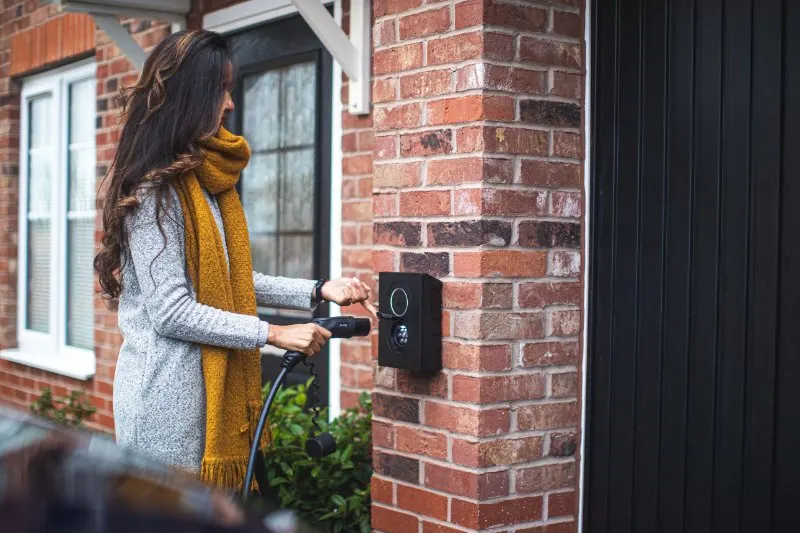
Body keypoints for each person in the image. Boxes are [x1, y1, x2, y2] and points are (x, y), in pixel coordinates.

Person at [93, 30, 376, 491]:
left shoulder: (207, 187)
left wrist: (318, 289)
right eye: (220, 91)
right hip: (168, 409)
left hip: (210, 401)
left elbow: (234, 279)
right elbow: (172, 311)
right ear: (192, 96)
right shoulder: (154, 193)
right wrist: (274, 333)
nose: (230, 105)